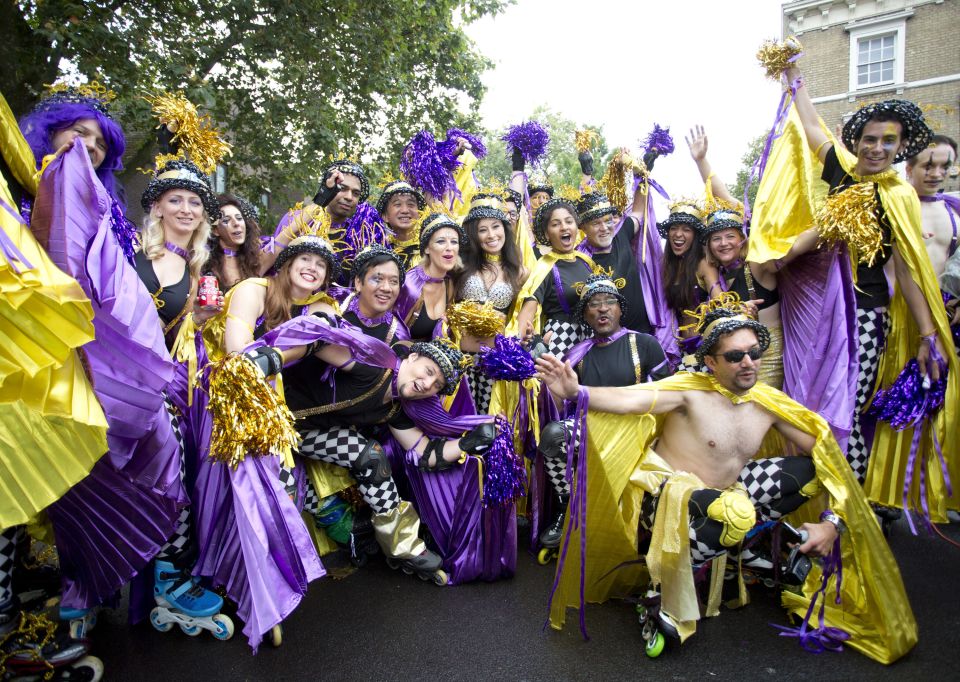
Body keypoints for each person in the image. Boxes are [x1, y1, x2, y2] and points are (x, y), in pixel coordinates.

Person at [537, 306, 918, 664]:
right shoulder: (689, 391)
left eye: (753, 352)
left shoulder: (768, 401)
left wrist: (832, 521)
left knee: (807, 473)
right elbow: (629, 399)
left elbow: (829, 457)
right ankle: (659, 591)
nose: (749, 363)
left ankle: (752, 544)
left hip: (726, 499)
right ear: (711, 362)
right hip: (667, 504)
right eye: (735, 356)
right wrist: (576, 392)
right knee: (732, 512)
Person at [785, 61, 958, 522]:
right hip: (814, 312)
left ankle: (846, 514)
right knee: (809, 407)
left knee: (844, 412)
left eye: (889, 141)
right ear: (856, 141)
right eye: (871, 139)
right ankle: (808, 505)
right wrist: (792, 74)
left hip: (864, 316)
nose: (878, 148)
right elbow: (810, 123)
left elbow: (908, 268)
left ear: (901, 146)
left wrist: (926, 334)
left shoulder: (898, 195)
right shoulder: (841, 173)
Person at [0, 90, 107, 678]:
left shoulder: (97, 207)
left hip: (70, 365)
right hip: (14, 357)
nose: (87, 148)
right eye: (78, 134)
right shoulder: (14, 192)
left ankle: (73, 605)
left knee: (63, 480)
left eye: (97, 144)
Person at [282, 333, 500, 584]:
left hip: (302, 435)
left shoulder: (395, 409)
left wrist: (465, 443)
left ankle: (403, 546)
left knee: (370, 457)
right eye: (428, 371)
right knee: (284, 496)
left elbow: (426, 454)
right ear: (413, 356)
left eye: (437, 384)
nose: (428, 384)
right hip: (266, 421)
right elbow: (316, 341)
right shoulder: (372, 366)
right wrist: (273, 359)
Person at [535, 274, 670, 560]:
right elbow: (564, 403)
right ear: (585, 314)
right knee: (553, 436)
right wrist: (551, 389)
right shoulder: (579, 353)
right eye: (594, 304)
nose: (602, 309)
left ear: (621, 309)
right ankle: (567, 506)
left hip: (636, 431)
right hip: (592, 429)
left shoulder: (644, 344)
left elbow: (664, 399)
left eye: (609, 302)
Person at [454, 193, 528, 412]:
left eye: (496, 226)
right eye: (482, 229)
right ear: (473, 235)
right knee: (463, 423)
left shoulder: (520, 272)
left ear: (505, 228)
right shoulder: (460, 268)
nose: (491, 235)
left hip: (496, 362)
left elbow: (520, 317)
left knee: (491, 425)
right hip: (463, 360)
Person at [513, 198, 596, 357]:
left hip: (590, 337)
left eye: (568, 221)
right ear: (546, 233)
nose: (564, 227)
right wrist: (525, 345)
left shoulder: (586, 261)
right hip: (560, 337)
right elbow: (528, 309)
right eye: (556, 224)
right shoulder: (544, 266)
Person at [905, 135, 960, 331]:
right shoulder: (893, 209)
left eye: (945, 167)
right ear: (909, 169)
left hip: (945, 313)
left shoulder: (955, 210)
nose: (937, 174)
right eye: (928, 166)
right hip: (899, 315)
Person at [395, 212, 465, 341]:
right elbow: (393, 336)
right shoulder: (411, 285)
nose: (449, 247)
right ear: (427, 248)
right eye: (441, 241)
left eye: (454, 242)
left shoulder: (449, 284)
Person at [341, 243, 410, 344]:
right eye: (378, 279)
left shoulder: (398, 337)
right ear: (358, 283)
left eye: (394, 281)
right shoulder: (335, 304)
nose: (386, 288)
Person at [206, 193, 264, 291]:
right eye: (226, 220)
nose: (236, 223)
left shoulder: (255, 259)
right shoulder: (203, 262)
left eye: (239, 218)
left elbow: (284, 237)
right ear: (215, 230)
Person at [377, 179, 426, 271]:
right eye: (397, 204)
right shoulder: (380, 250)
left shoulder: (429, 248)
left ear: (419, 213)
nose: (405, 210)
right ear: (385, 216)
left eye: (411, 204)